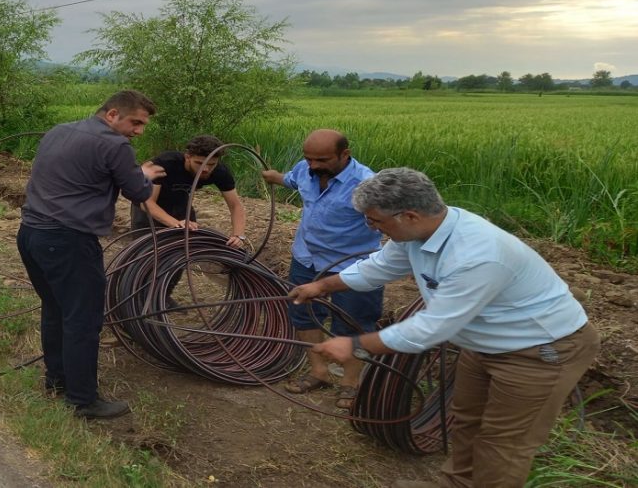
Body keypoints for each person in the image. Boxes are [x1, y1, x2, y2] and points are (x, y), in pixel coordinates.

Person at [290, 168, 600, 488]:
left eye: (375, 221)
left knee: (503, 445)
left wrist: (354, 345)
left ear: (409, 215)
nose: (371, 227)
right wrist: (323, 285)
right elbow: (378, 268)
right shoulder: (418, 233)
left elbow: (429, 329)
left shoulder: (477, 254)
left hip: (539, 351)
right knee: (465, 423)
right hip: (484, 346)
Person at [17, 90, 166, 419]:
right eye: (135, 122)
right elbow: (139, 193)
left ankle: (57, 382)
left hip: (30, 235)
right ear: (112, 114)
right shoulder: (115, 145)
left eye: (143, 124)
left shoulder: (58, 130)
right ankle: (83, 400)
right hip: (69, 241)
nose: (139, 130)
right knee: (83, 321)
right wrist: (144, 174)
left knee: (56, 310)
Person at [261, 129, 382, 409]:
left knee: (354, 323)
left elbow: (390, 219)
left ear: (345, 155)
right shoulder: (305, 170)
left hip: (352, 266)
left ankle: (350, 383)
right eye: (308, 159)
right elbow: (292, 180)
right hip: (306, 258)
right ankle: (319, 372)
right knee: (303, 315)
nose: (313, 166)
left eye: (322, 160)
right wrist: (274, 177)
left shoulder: (367, 184)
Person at [130, 134, 248, 249]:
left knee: (184, 247)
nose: (206, 169)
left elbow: (235, 205)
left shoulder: (220, 171)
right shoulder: (166, 163)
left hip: (180, 202)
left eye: (211, 164)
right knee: (145, 249)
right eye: (199, 163)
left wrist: (238, 235)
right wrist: (176, 224)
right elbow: (148, 203)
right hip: (147, 204)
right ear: (187, 157)